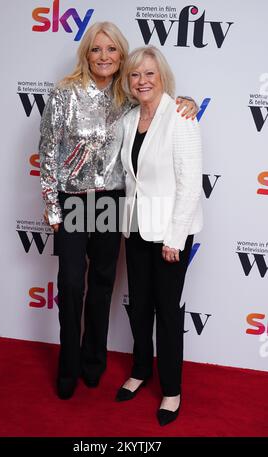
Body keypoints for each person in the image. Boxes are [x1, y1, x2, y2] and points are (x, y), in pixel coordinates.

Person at [39, 22, 199, 400]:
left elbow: (157, 106)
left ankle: (94, 363)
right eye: (97, 49)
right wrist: (53, 208)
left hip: (112, 200)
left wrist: (186, 101)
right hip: (76, 199)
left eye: (112, 50)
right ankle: (69, 366)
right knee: (72, 283)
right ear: (87, 55)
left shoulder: (126, 98)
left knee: (102, 286)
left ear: (121, 56)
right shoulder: (65, 93)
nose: (104, 56)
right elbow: (47, 152)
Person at [115, 45, 203, 426]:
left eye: (149, 73)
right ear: (128, 81)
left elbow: (188, 184)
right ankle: (139, 370)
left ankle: (171, 389)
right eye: (135, 74)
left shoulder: (181, 116)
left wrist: (174, 236)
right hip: (135, 227)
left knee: (167, 311)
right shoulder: (128, 119)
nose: (142, 80)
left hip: (170, 233)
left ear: (162, 76)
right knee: (139, 306)